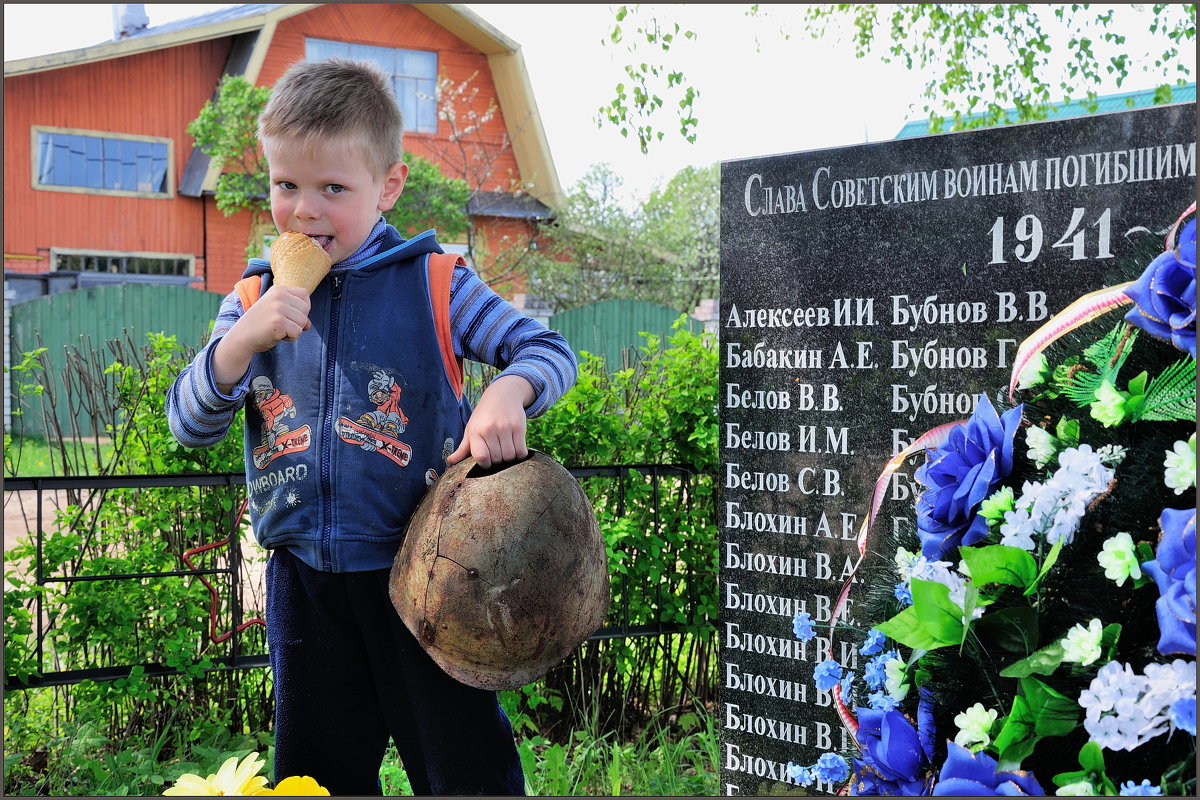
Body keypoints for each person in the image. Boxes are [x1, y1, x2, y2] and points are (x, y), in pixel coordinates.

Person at [166, 57, 577, 796]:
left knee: (465, 771)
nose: (304, 211)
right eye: (286, 185)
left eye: (333, 188)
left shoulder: (438, 281)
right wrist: (237, 345)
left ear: (387, 187)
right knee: (316, 779)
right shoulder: (252, 295)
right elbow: (188, 426)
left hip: (428, 579)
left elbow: (548, 350)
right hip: (304, 585)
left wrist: (508, 392)